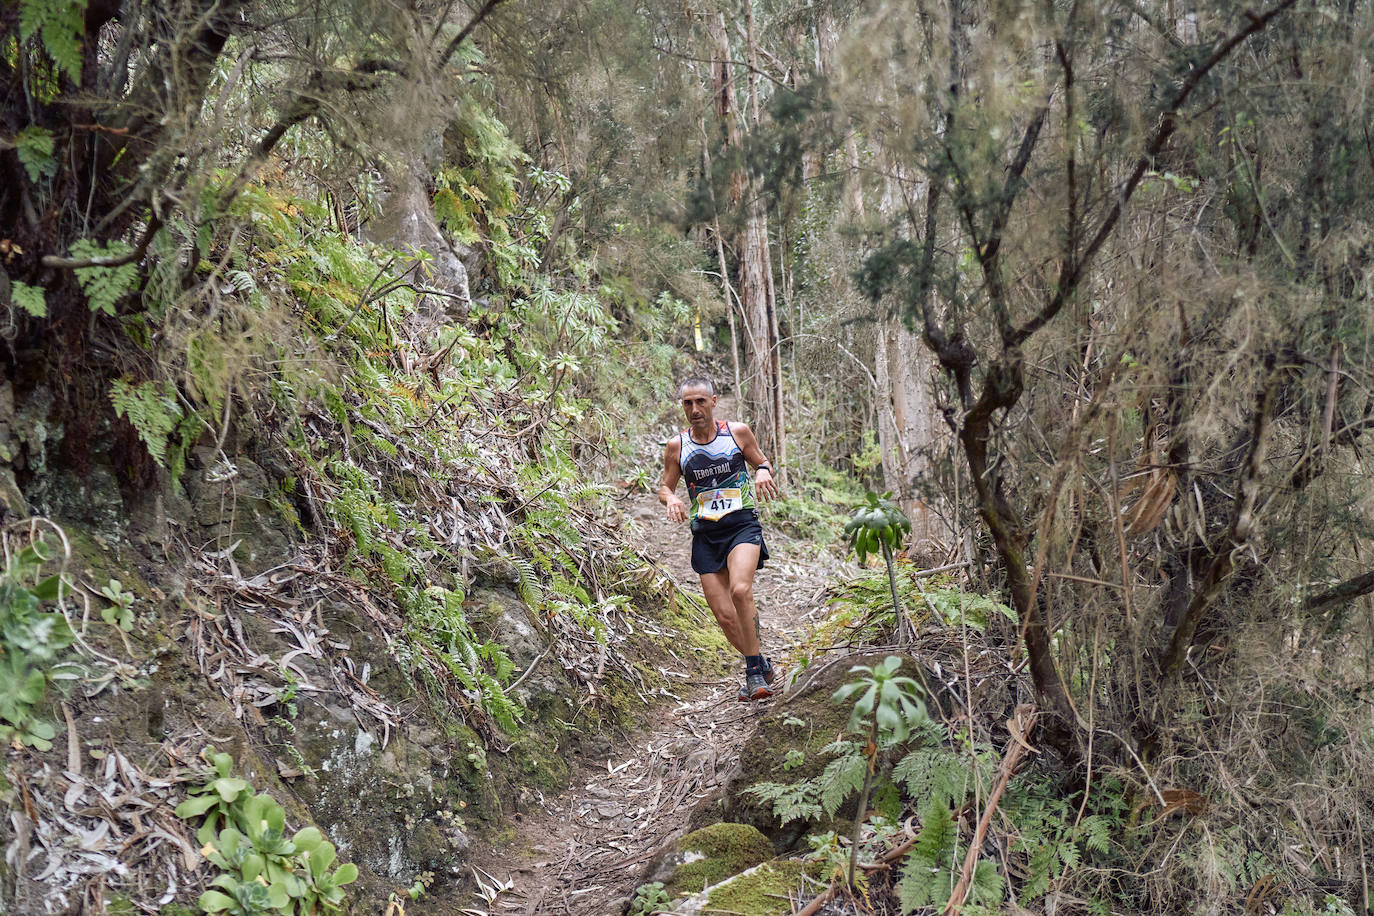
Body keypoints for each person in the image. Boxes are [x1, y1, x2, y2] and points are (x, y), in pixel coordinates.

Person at [658, 376, 780, 700]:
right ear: (682, 406)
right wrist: (670, 499)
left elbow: (761, 460)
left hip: (742, 526)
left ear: (714, 401)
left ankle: (753, 673)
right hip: (706, 535)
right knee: (726, 618)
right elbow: (665, 485)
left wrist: (764, 471)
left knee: (741, 589)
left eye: (700, 401)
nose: (695, 409)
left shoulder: (736, 432)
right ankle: (761, 662)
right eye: (688, 403)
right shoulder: (677, 446)